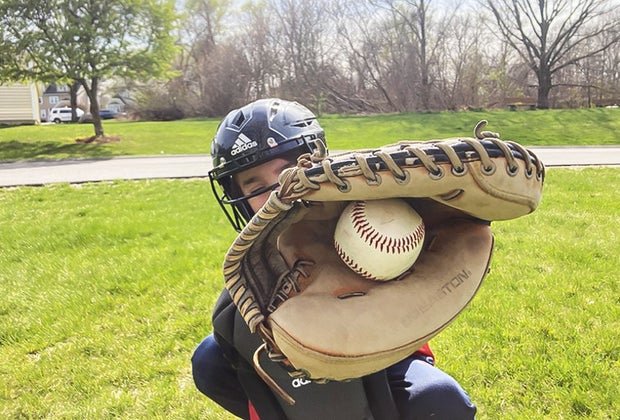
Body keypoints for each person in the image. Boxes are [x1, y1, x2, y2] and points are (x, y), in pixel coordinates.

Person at [192, 98, 476, 419]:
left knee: (437, 400)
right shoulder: (256, 262)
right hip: (294, 362)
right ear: (238, 196)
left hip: (380, 350)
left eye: (287, 171)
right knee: (208, 360)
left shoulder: (362, 218)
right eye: (254, 184)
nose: (275, 191)